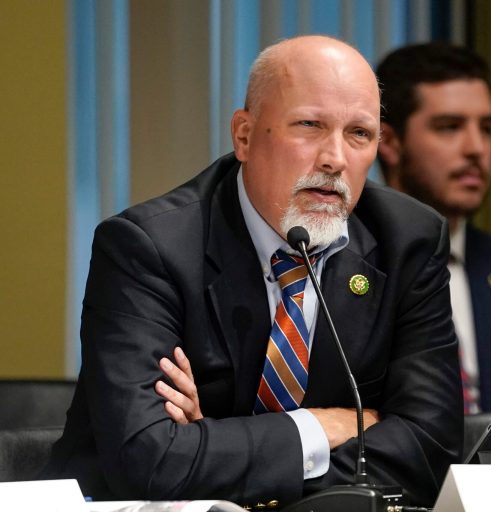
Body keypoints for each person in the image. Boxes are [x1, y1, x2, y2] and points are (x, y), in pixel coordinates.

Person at [43, 35, 462, 507]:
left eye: (359, 134)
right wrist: (322, 427)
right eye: (310, 125)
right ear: (243, 135)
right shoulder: (149, 248)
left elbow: (430, 449)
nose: (335, 158)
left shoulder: (408, 240)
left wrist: (216, 447)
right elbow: (152, 461)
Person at [375, 43, 491, 413]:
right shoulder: (341, 263)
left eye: (486, 129)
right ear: (388, 142)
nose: (476, 148)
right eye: (450, 127)